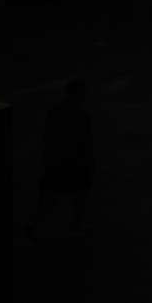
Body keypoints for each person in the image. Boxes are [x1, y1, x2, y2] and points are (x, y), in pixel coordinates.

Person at [29, 79, 93, 237]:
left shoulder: (57, 112)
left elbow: (48, 138)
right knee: (77, 198)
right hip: (74, 162)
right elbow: (85, 141)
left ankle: (37, 227)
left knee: (50, 198)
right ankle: (74, 229)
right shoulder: (81, 115)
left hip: (59, 161)